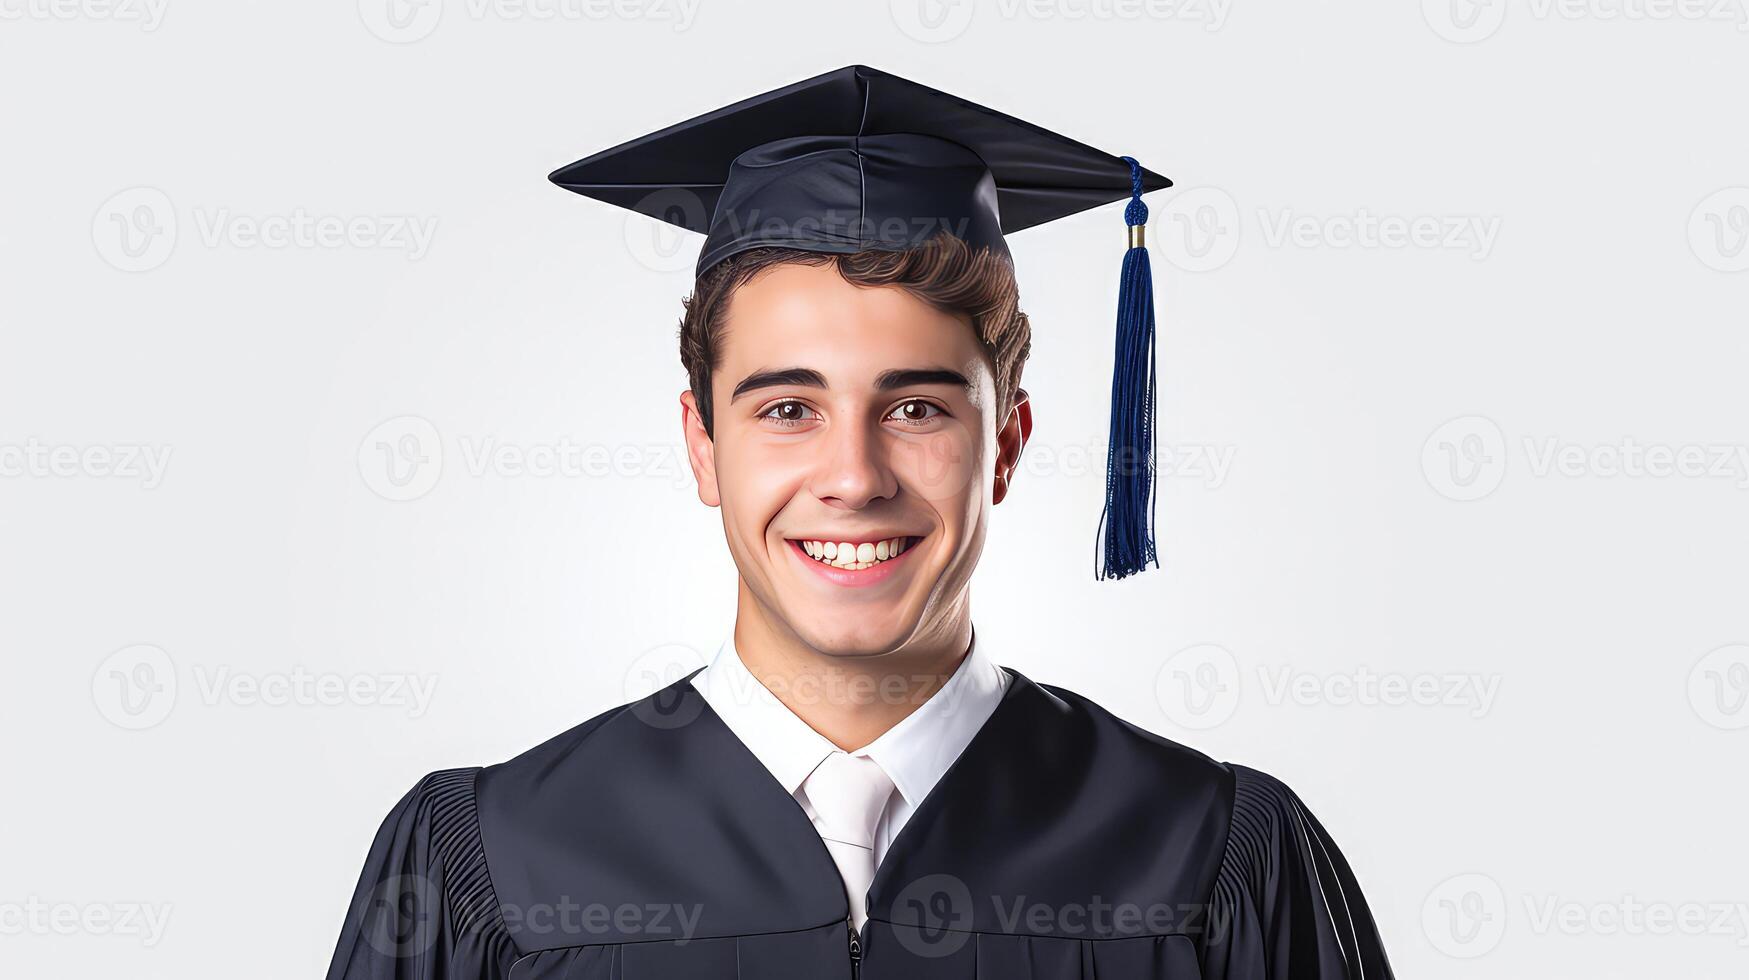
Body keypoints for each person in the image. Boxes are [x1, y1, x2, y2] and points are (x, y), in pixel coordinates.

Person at [325, 64, 1395, 980]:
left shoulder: (1207, 855)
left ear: (1007, 445)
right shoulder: (496, 860)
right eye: (788, 408)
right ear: (703, 445)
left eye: (916, 407)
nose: (853, 474)